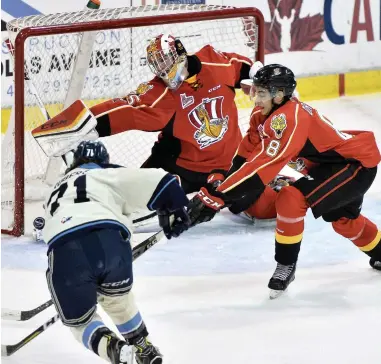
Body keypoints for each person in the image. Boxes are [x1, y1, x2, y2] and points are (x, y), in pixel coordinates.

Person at [188, 64, 381, 297]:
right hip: (329, 167)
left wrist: (219, 197)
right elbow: (246, 158)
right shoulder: (261, 116)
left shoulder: (288, 118)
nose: (254, 98)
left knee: (292, 196)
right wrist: (219, 188)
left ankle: (286, 264)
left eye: (261, 93)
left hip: (355, 165)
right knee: (344, 221)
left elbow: (264, 167)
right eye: (254, 91)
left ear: (279, 95)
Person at [43, 140, 190, 364]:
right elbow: (164, 181)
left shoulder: (53, 192)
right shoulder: (106, 175)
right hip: (112, 244)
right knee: (118, 300)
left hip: (66, 248)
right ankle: (143, 347)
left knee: (81, 322)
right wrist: (175, 209)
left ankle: (113, 349)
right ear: (104, 163)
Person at [90, 33, 257, 194]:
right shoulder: (160, 92)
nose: (162, 68)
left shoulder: (215, 64)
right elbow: (124, 110)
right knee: (133, 195)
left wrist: (256, 74)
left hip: (227, 165)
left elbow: (238, 65)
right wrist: (86, 121)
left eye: (165, 60)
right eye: (157, 64)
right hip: (178, 167)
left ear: (179, 52)